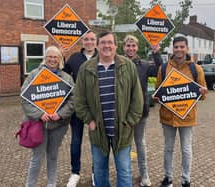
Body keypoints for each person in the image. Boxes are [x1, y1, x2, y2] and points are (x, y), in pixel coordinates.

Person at [74, 30, 144, 187]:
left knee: (124, 170)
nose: (106, 46)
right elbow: (78, 99)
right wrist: (89, 121)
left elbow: (137, 99)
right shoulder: (86, 68)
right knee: (99, 170)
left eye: (109, 42)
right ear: (97, 46)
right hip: (98, 130)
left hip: (122, 129)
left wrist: (130, 122)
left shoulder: (128, 66)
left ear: (116, 46)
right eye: (103, 43)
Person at [155, 36, 208, 187]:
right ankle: (168, 178)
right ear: (173, 49)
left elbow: (202, 95)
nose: (179, 49)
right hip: (168, 116)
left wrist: (203, 93)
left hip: (187, 117)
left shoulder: (196, 69)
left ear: (187, 48)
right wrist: (157, 97)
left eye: (181, 47)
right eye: (176, 47)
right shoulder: (164, 68)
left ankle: (186, 180)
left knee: (186, 150)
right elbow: (160, 91)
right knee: (168, 149)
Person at [22, 45, 74, 187]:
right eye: (49, 56)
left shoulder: (67, 78)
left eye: (55, 57)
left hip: (58, 125)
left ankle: (52, 184)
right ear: (45, 58)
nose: (52, 59)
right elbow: (25, 98)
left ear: (60, 59)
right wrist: (39, 114)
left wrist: (60, 114)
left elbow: (73, 100)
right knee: (37, 158)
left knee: (53, 156)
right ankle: (30, 185)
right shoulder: (34, 75)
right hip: (39, 125)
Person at [122, 34, 163, 187]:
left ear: (137, 48)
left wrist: (156, 52)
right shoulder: (118, 63)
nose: (131, 48)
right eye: (128, 46)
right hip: (123, 113)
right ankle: (125, 175)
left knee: (140, 144)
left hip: (140, 112)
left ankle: (144, 174)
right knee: (124, 146)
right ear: (123, 47)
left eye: (133, 46)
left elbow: (159, 69)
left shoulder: (144, 65)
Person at [63, 30, 98, 187]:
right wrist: (61, 57)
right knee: (76, 141)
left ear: (96, 41)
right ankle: (75, 173)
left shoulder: (101, 57)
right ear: (82, 42)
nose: (89, 42)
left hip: (96, 108)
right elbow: (62, 77)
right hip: (78, 107)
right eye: (86, 39)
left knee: (95, 142)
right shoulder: (74, 58)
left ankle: (95, 172)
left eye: (92, 39)